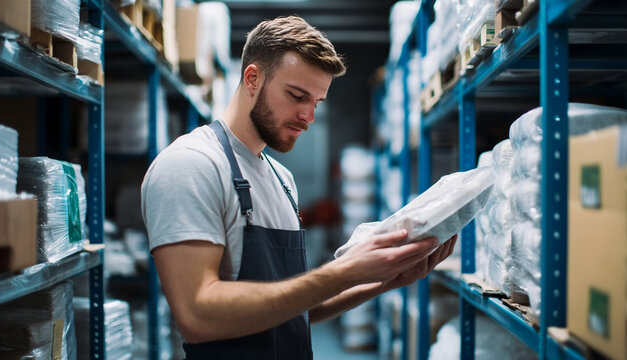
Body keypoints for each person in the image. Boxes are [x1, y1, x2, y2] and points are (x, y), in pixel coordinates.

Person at [141, 15, 457, 360]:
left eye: (317, 103)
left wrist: (385, 280)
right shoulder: (192, 164)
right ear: (252, 78)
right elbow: (196, 316)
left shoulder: (281, 179)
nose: (309, 116)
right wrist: (345, 270)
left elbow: (295, 306)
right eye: (297, 96)